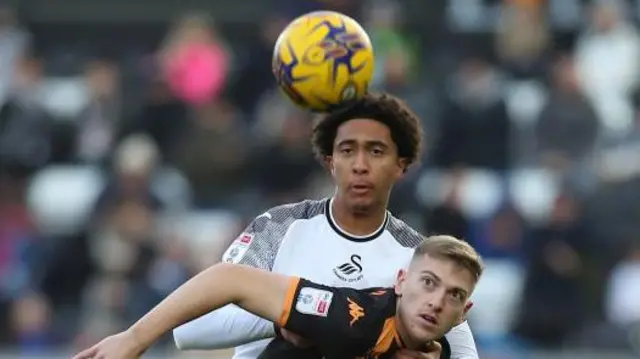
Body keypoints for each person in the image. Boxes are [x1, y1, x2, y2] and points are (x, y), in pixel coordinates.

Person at [171, 93, 480, 359]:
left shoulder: (419, 258)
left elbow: (465, 353)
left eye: (376, 151)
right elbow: (190, 328)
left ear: (401, 165)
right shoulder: (278, 227)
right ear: (330, 160)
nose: (361, 165)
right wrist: (290, 316)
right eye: (347, 151)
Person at [73, 235, 483, 359]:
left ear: (463, 313)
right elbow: (229, 278)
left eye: (453, 295)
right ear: (400, 282)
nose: (435, 301)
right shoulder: (350, 317)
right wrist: (134, 339)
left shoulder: (440, 350)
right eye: (427, 283)